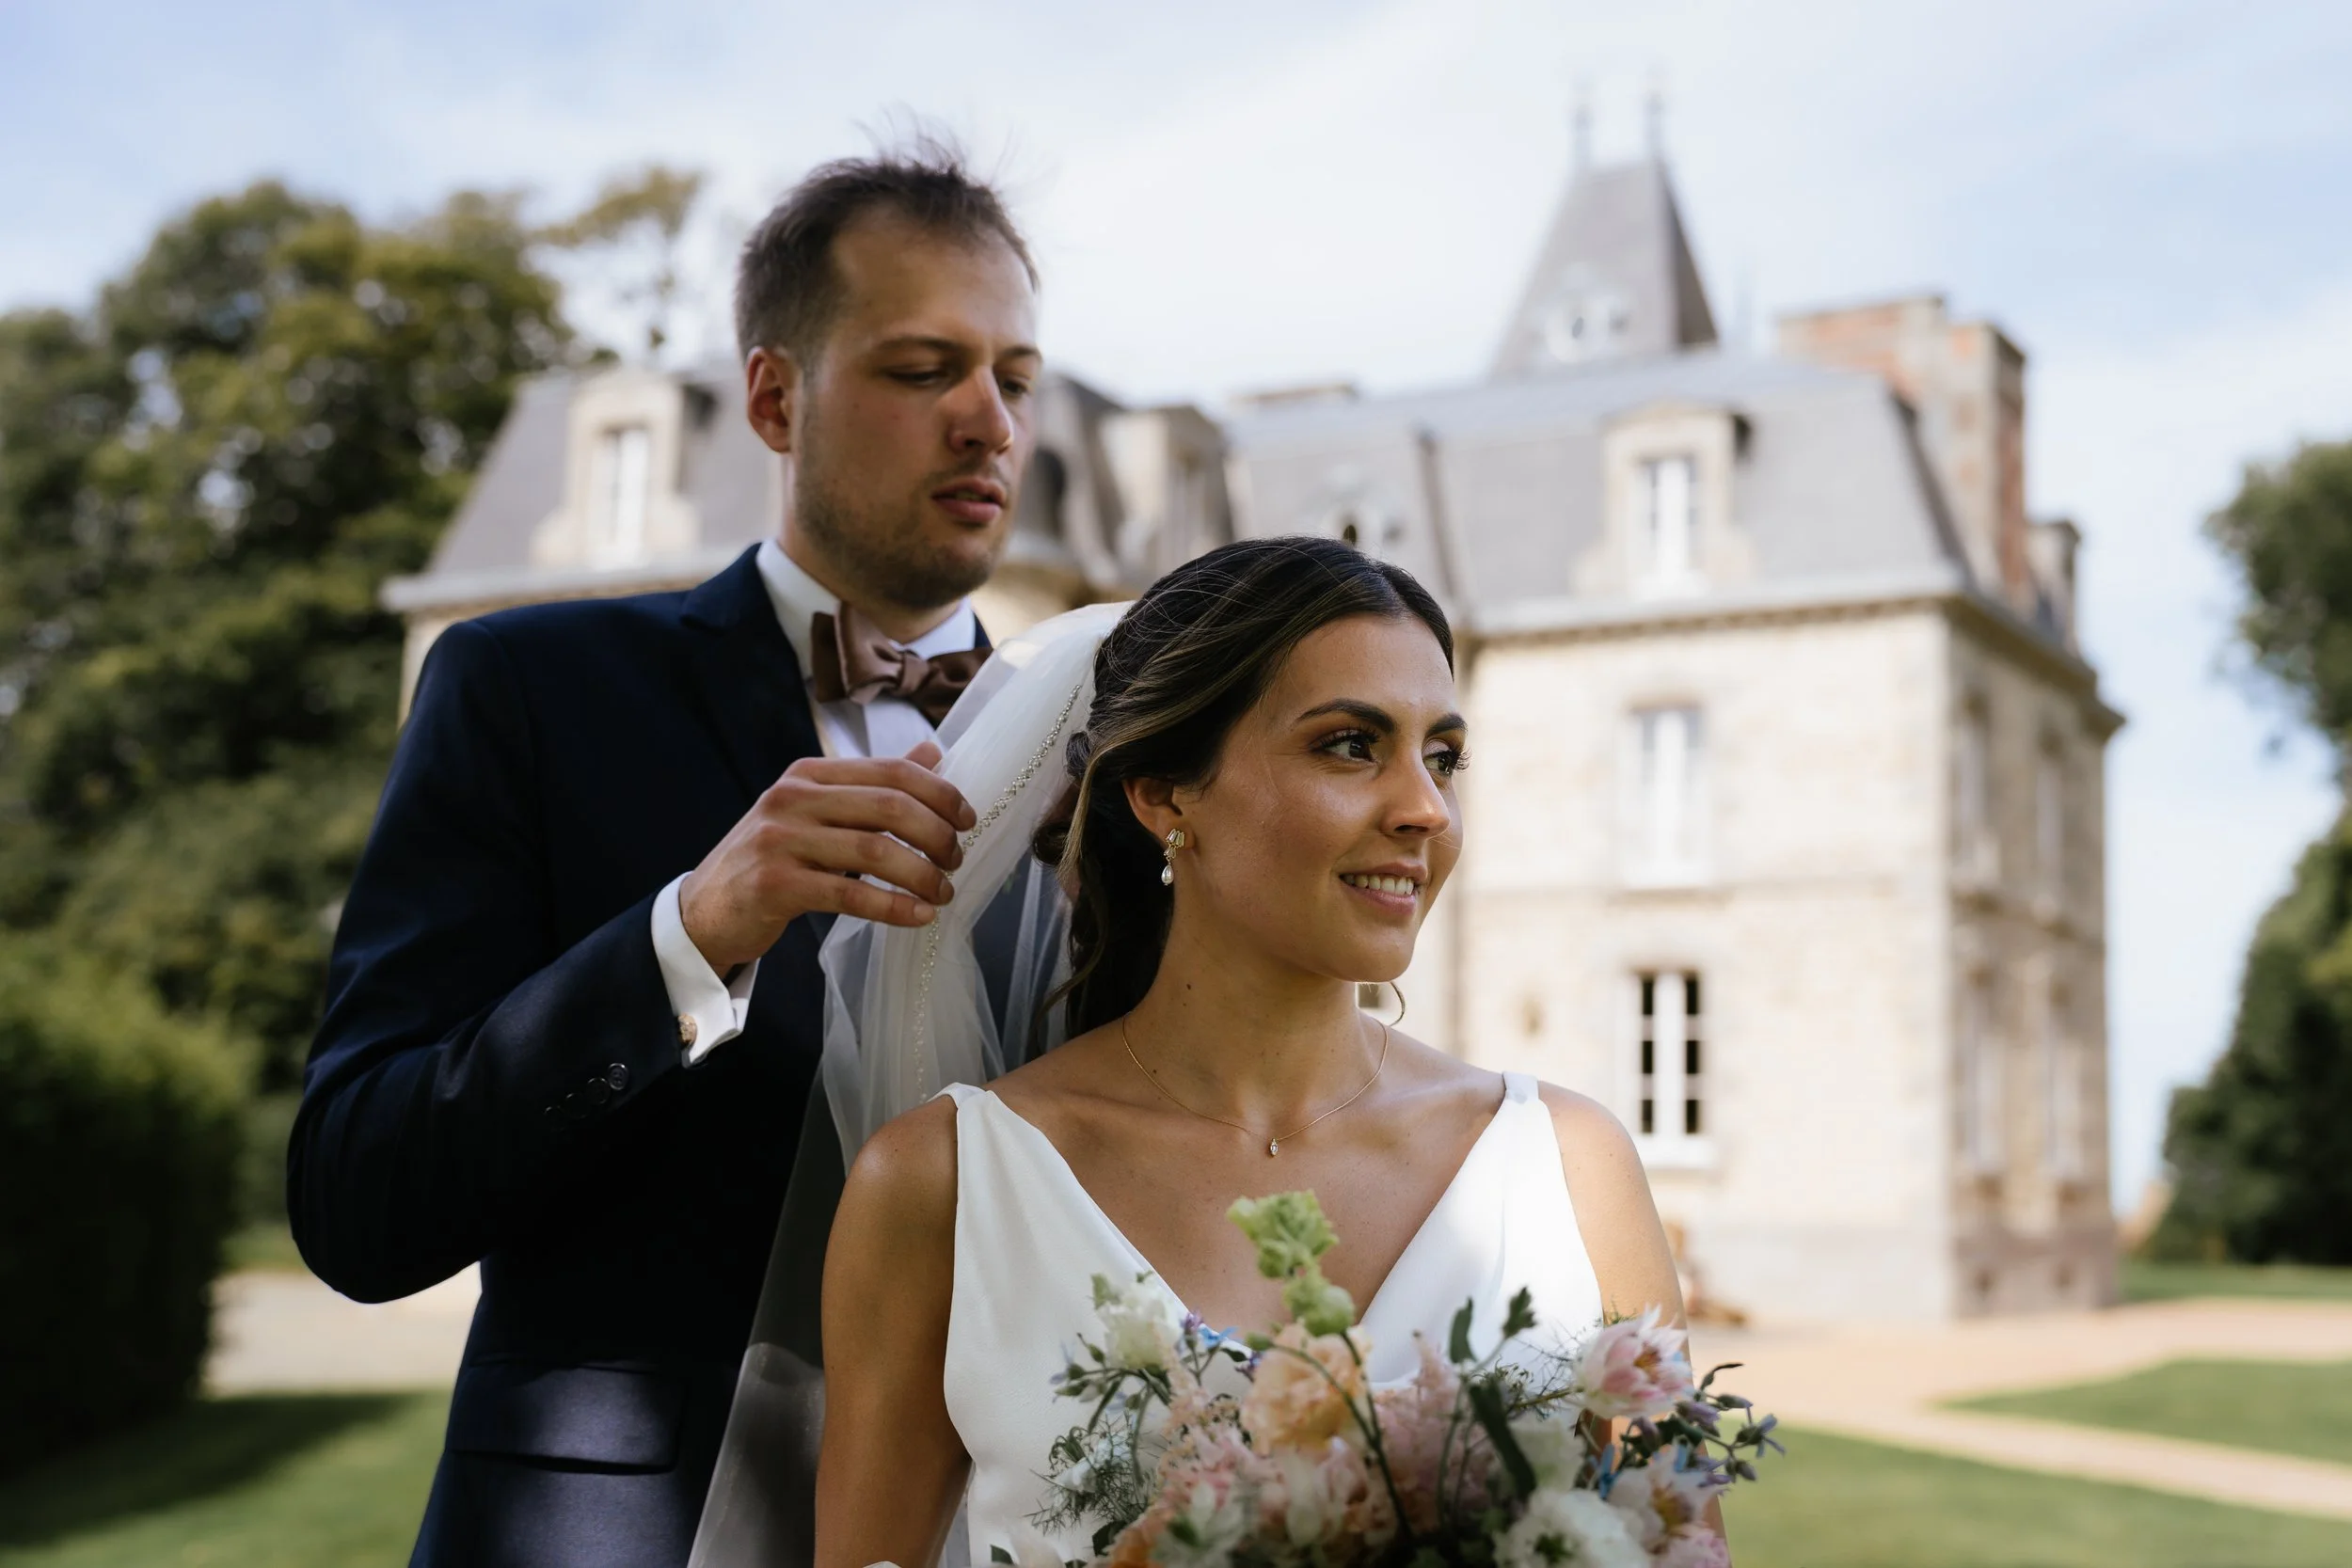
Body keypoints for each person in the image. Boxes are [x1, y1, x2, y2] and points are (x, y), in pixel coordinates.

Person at [286, 139, 1043, 1568]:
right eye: (921, 367)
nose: (987, 420)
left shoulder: (1117, 760)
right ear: (774, 397)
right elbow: (355, 1198)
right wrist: (690, 934)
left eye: (1015, 375)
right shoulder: (526, 688)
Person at [811, 537, 1708, 1568]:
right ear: (1164, 793)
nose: (1425, 807)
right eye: (1350, 745)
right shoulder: (943, 1183)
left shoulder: (1569, 1168)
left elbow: (1680, 1546)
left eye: (1443, 756)